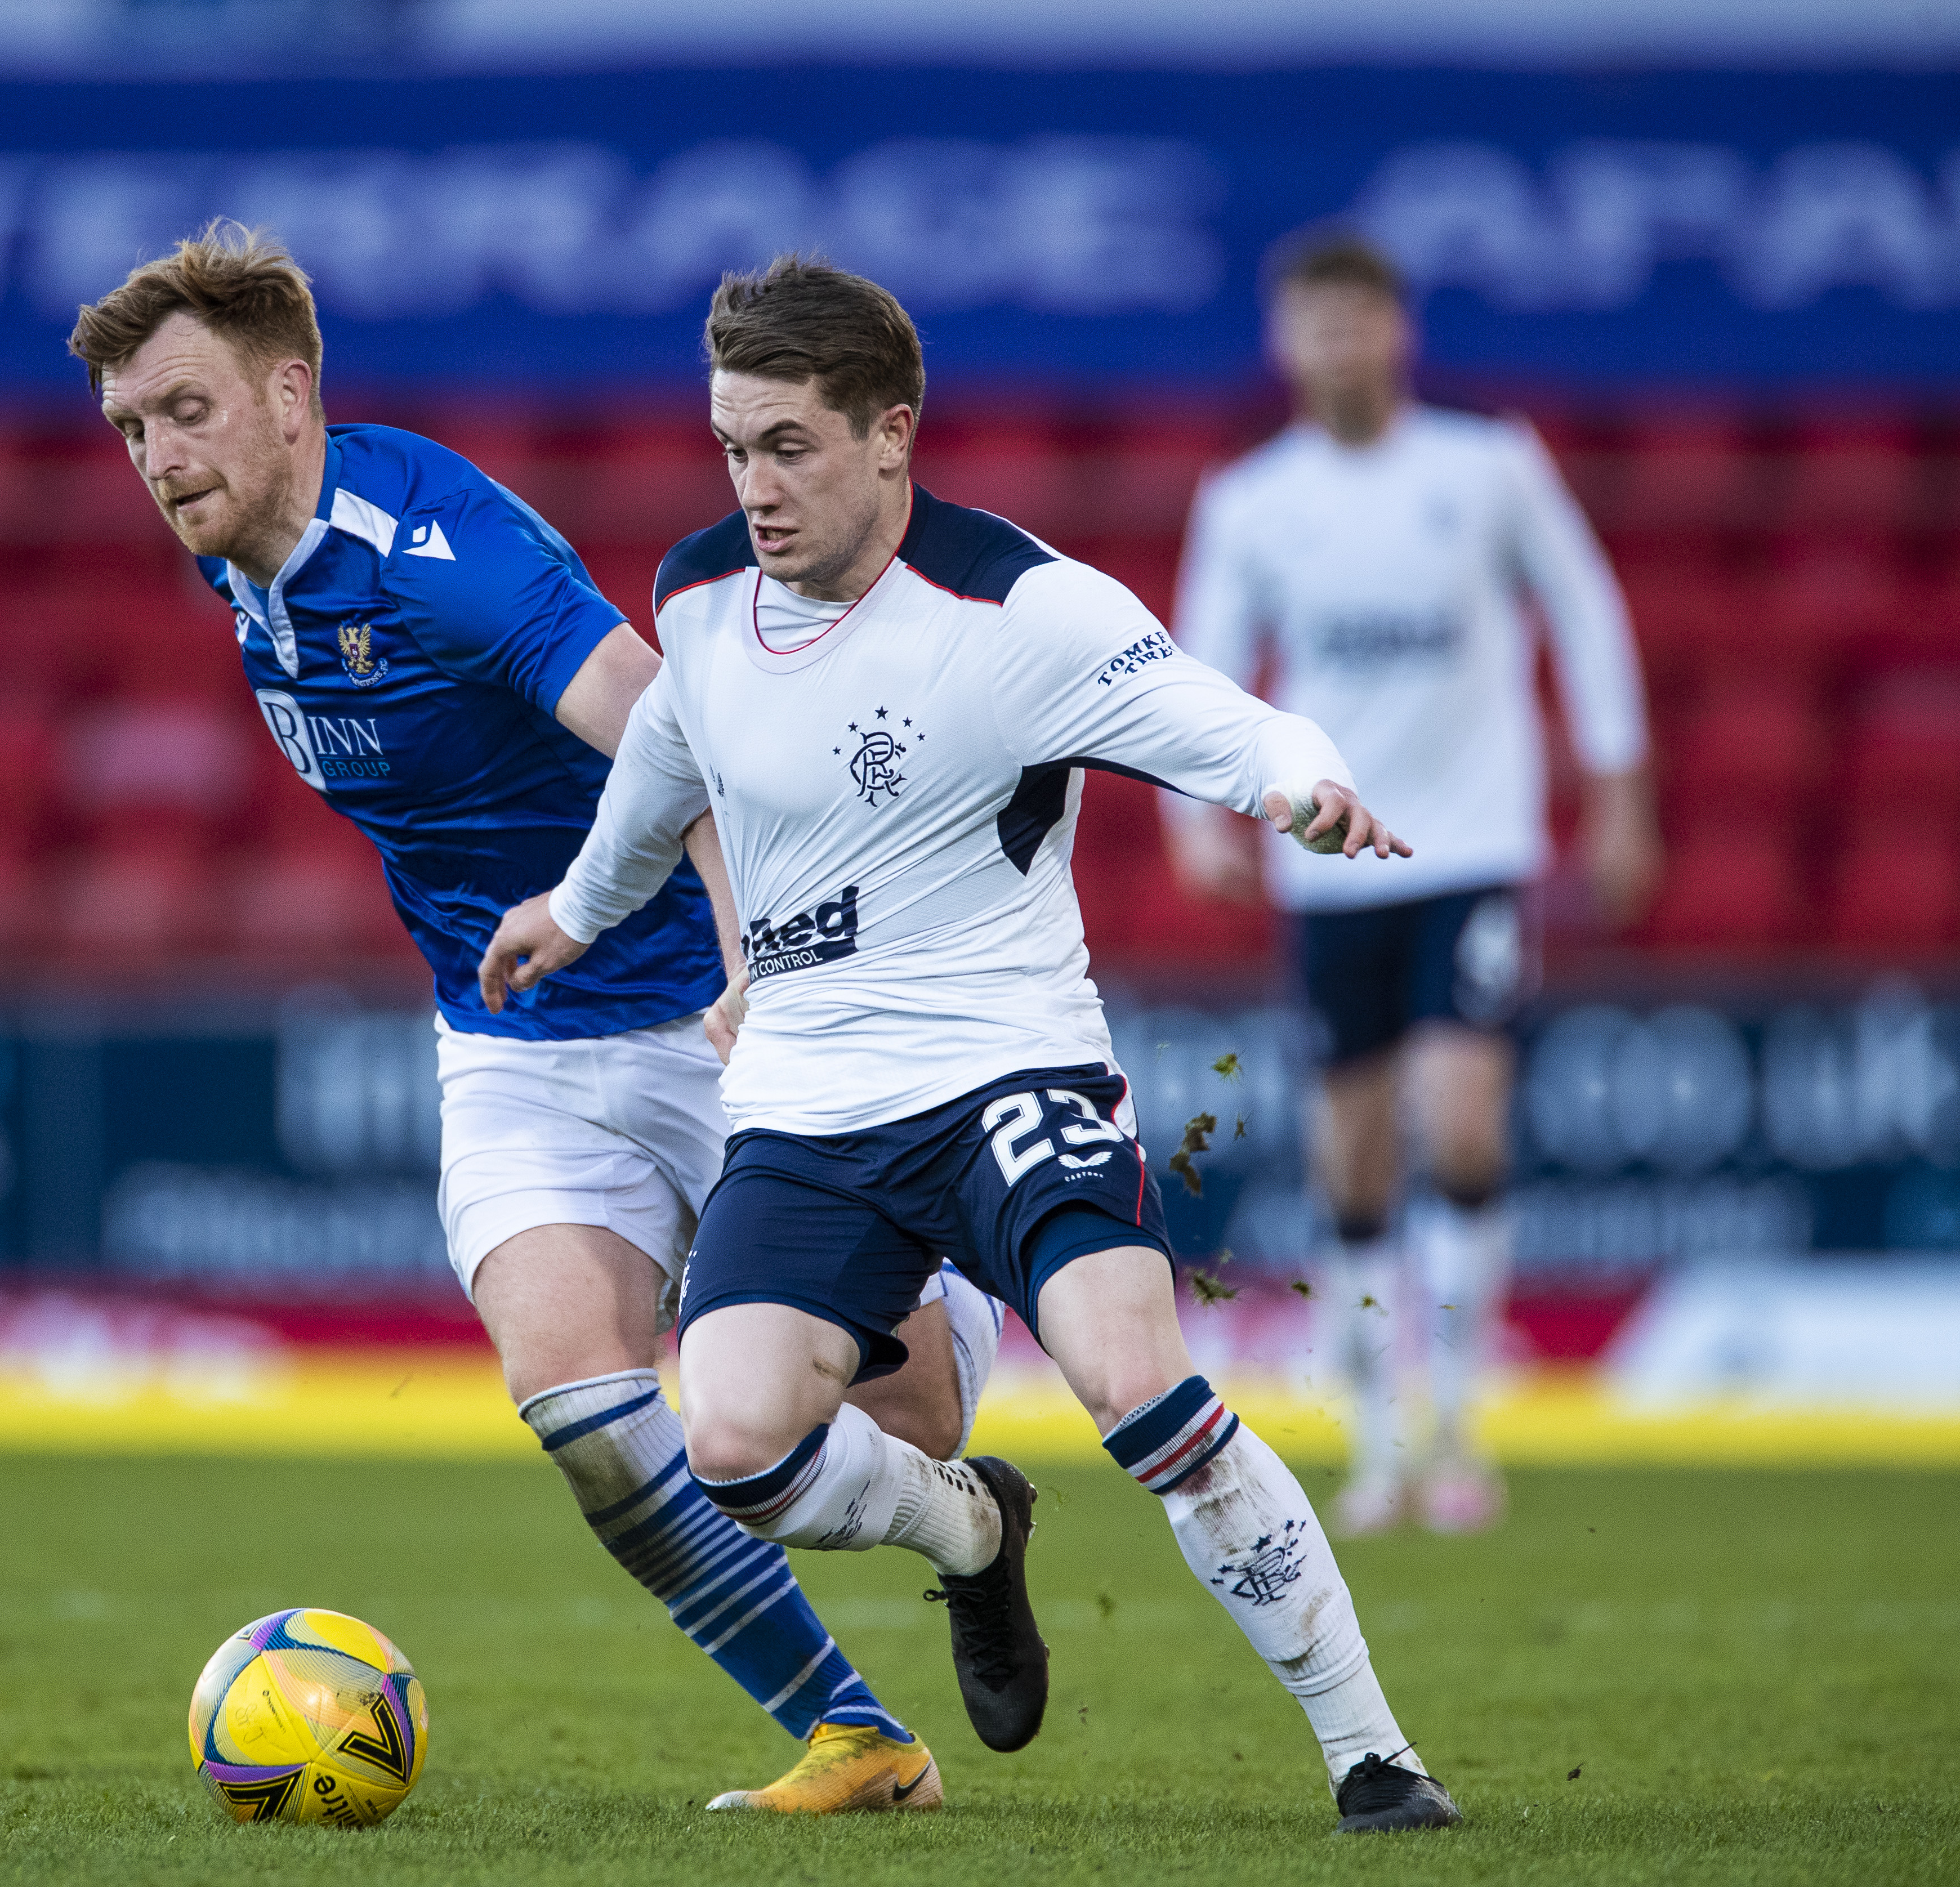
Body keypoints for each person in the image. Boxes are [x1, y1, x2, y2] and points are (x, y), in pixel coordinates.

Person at [481, 254, 1462, 1836]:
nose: (754, 488)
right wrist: (578, 913)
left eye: (787, 446)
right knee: (724, 1441)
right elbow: (665, 770)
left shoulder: (1025, 610)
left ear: (889, 432)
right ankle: (968, 1536)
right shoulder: (701, 603)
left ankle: (1371, 1757)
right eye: (731, 448)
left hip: (1010, 1070)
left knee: (1137, 1390)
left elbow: (1229, 722)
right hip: (805, 1102)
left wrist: (1303, 788)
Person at [68, 223, 1005, 1815]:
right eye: (133, 431)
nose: (159, 458)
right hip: (507, 1053)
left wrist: (751, 976)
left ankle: (977, 1517)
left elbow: (672, 730)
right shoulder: (251, 570)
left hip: (703, 1027)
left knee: (909, 1410)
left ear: (289, 395)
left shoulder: (434, 548)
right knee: (582, 1410)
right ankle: (859, 1742)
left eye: (186, 411)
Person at [1168, 231, 1658, 1537]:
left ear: (1397, 332)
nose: (1336, 346)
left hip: (1473, 846)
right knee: (1353, 1153)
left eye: (1355, 321)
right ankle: (1375, 1441)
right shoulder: (1252, 498)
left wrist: (1619, 793)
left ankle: (1458, 1423)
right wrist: (1194, 815)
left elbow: (1587, 612)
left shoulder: (1488, 467)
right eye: (1312, 325)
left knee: (1467, 1120)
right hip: (1328, 862)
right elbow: (1198, 671)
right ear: (1284, 345)